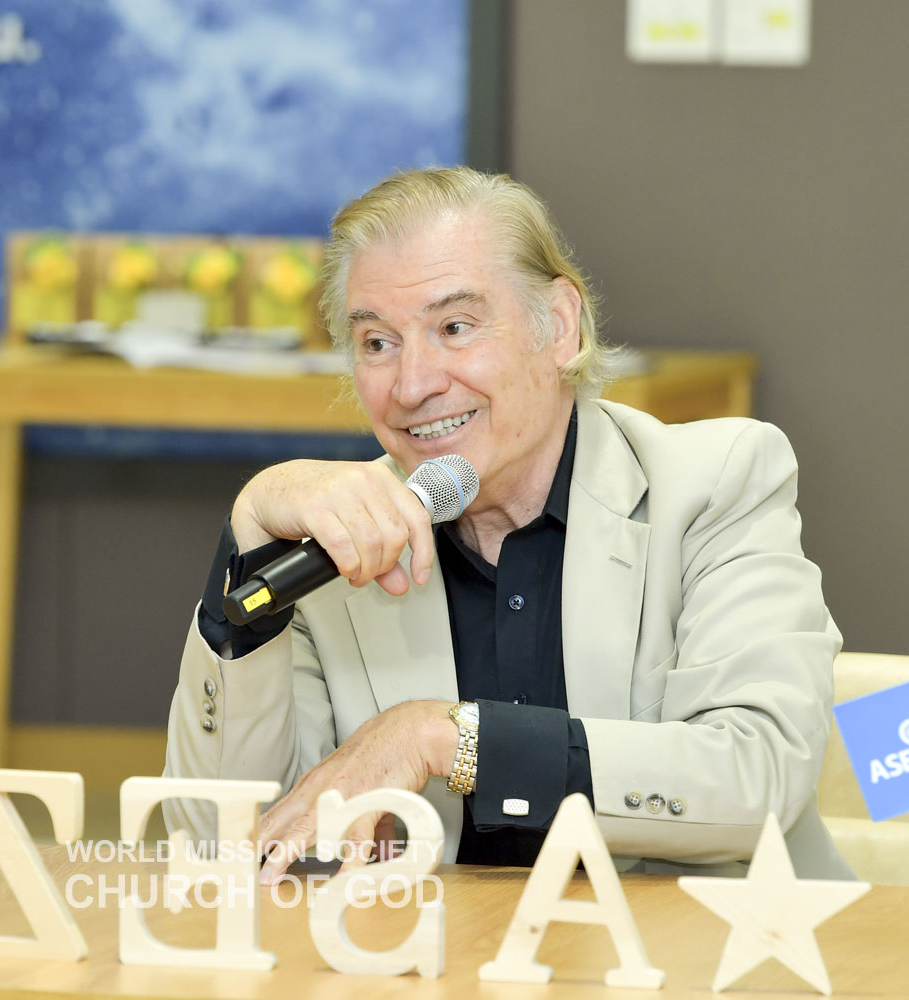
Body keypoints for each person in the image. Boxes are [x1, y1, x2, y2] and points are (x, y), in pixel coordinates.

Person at [163, 166, 851, 882]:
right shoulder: (342, 544)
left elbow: (757, 777)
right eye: (377, 343)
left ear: (559, 326)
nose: (412, 385)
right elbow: (222, 843)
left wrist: (445, 737)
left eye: (454, 328)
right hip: (441, 947)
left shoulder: (715, 482)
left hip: (712, 941)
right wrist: (251, 532)